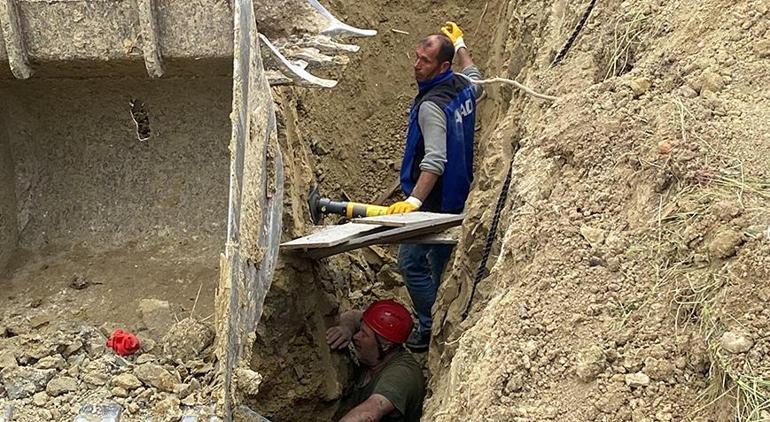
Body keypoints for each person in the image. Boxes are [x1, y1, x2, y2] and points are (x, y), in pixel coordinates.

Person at [386, 22, 484, 351]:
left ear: (442, 67)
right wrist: (460, 44)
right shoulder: (460, 86)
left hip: (434, 202)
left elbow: (434, 160)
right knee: (441, 265)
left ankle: (431, 326)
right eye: (416, 57)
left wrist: (414, 201)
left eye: (425, 61)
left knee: (410, 263)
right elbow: (476, 78)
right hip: (459, 193)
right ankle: (445, 317)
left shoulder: (431, 105)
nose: (416, 65)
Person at [327, 300, 425, 422]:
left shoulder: (401, 375)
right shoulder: (379, 352)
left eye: (364, 334)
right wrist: (346, 329)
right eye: (359, 329)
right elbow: (353, 316)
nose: (356, 337)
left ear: (385, 346)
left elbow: (370, 411)